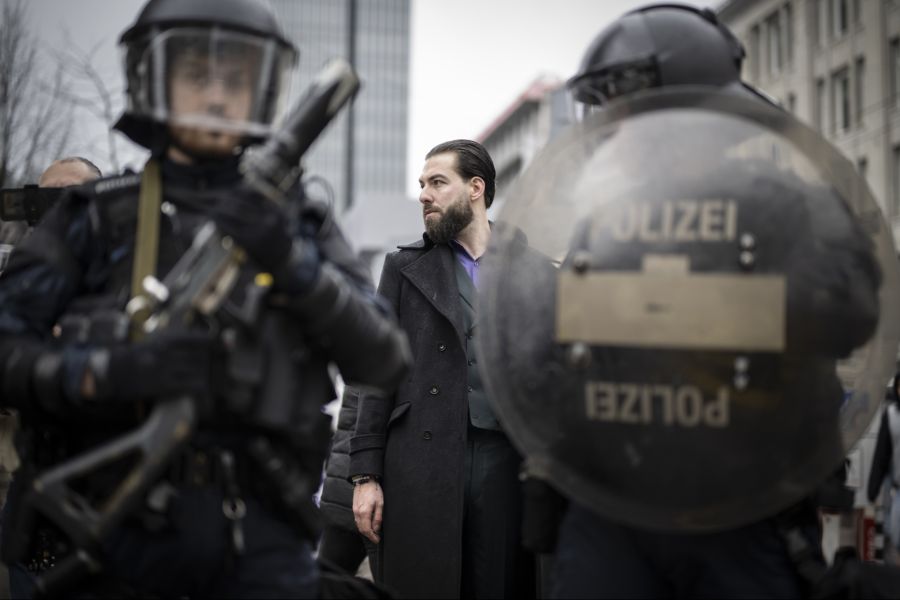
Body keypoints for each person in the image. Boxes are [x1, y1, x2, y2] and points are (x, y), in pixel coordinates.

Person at [0, 0, 409, 597]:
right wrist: (110, 371)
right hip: (117, 528)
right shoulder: (98, 217)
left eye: (236, 78)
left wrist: (293, 264)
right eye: (197, 75)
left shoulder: (301, 222)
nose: (218, 96)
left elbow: (384, 358)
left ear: (262, 88)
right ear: (155, 77)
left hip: (264, 532)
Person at [497, 4, 883, 599]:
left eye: (623, 111)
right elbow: (555, 350)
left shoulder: (784, 203)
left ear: (686, 113)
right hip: (612, 507)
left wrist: (701, 294)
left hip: (742, 511)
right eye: (608, 113)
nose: (612, 129)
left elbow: (850, 308)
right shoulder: (605, 224)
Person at [351, 139, 534, 599]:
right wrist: (365, 476)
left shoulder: (531, 270)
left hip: (505, 463)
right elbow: (376, 377)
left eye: (437, 183)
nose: (424, 195)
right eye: (422, 185)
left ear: (476, 188)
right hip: (420, 460)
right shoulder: (402, 267)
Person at [868, 375, 900, 563]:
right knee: (895, 540)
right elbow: (882, 454)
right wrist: (873, 488)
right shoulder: (891, 416)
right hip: (898, 493)